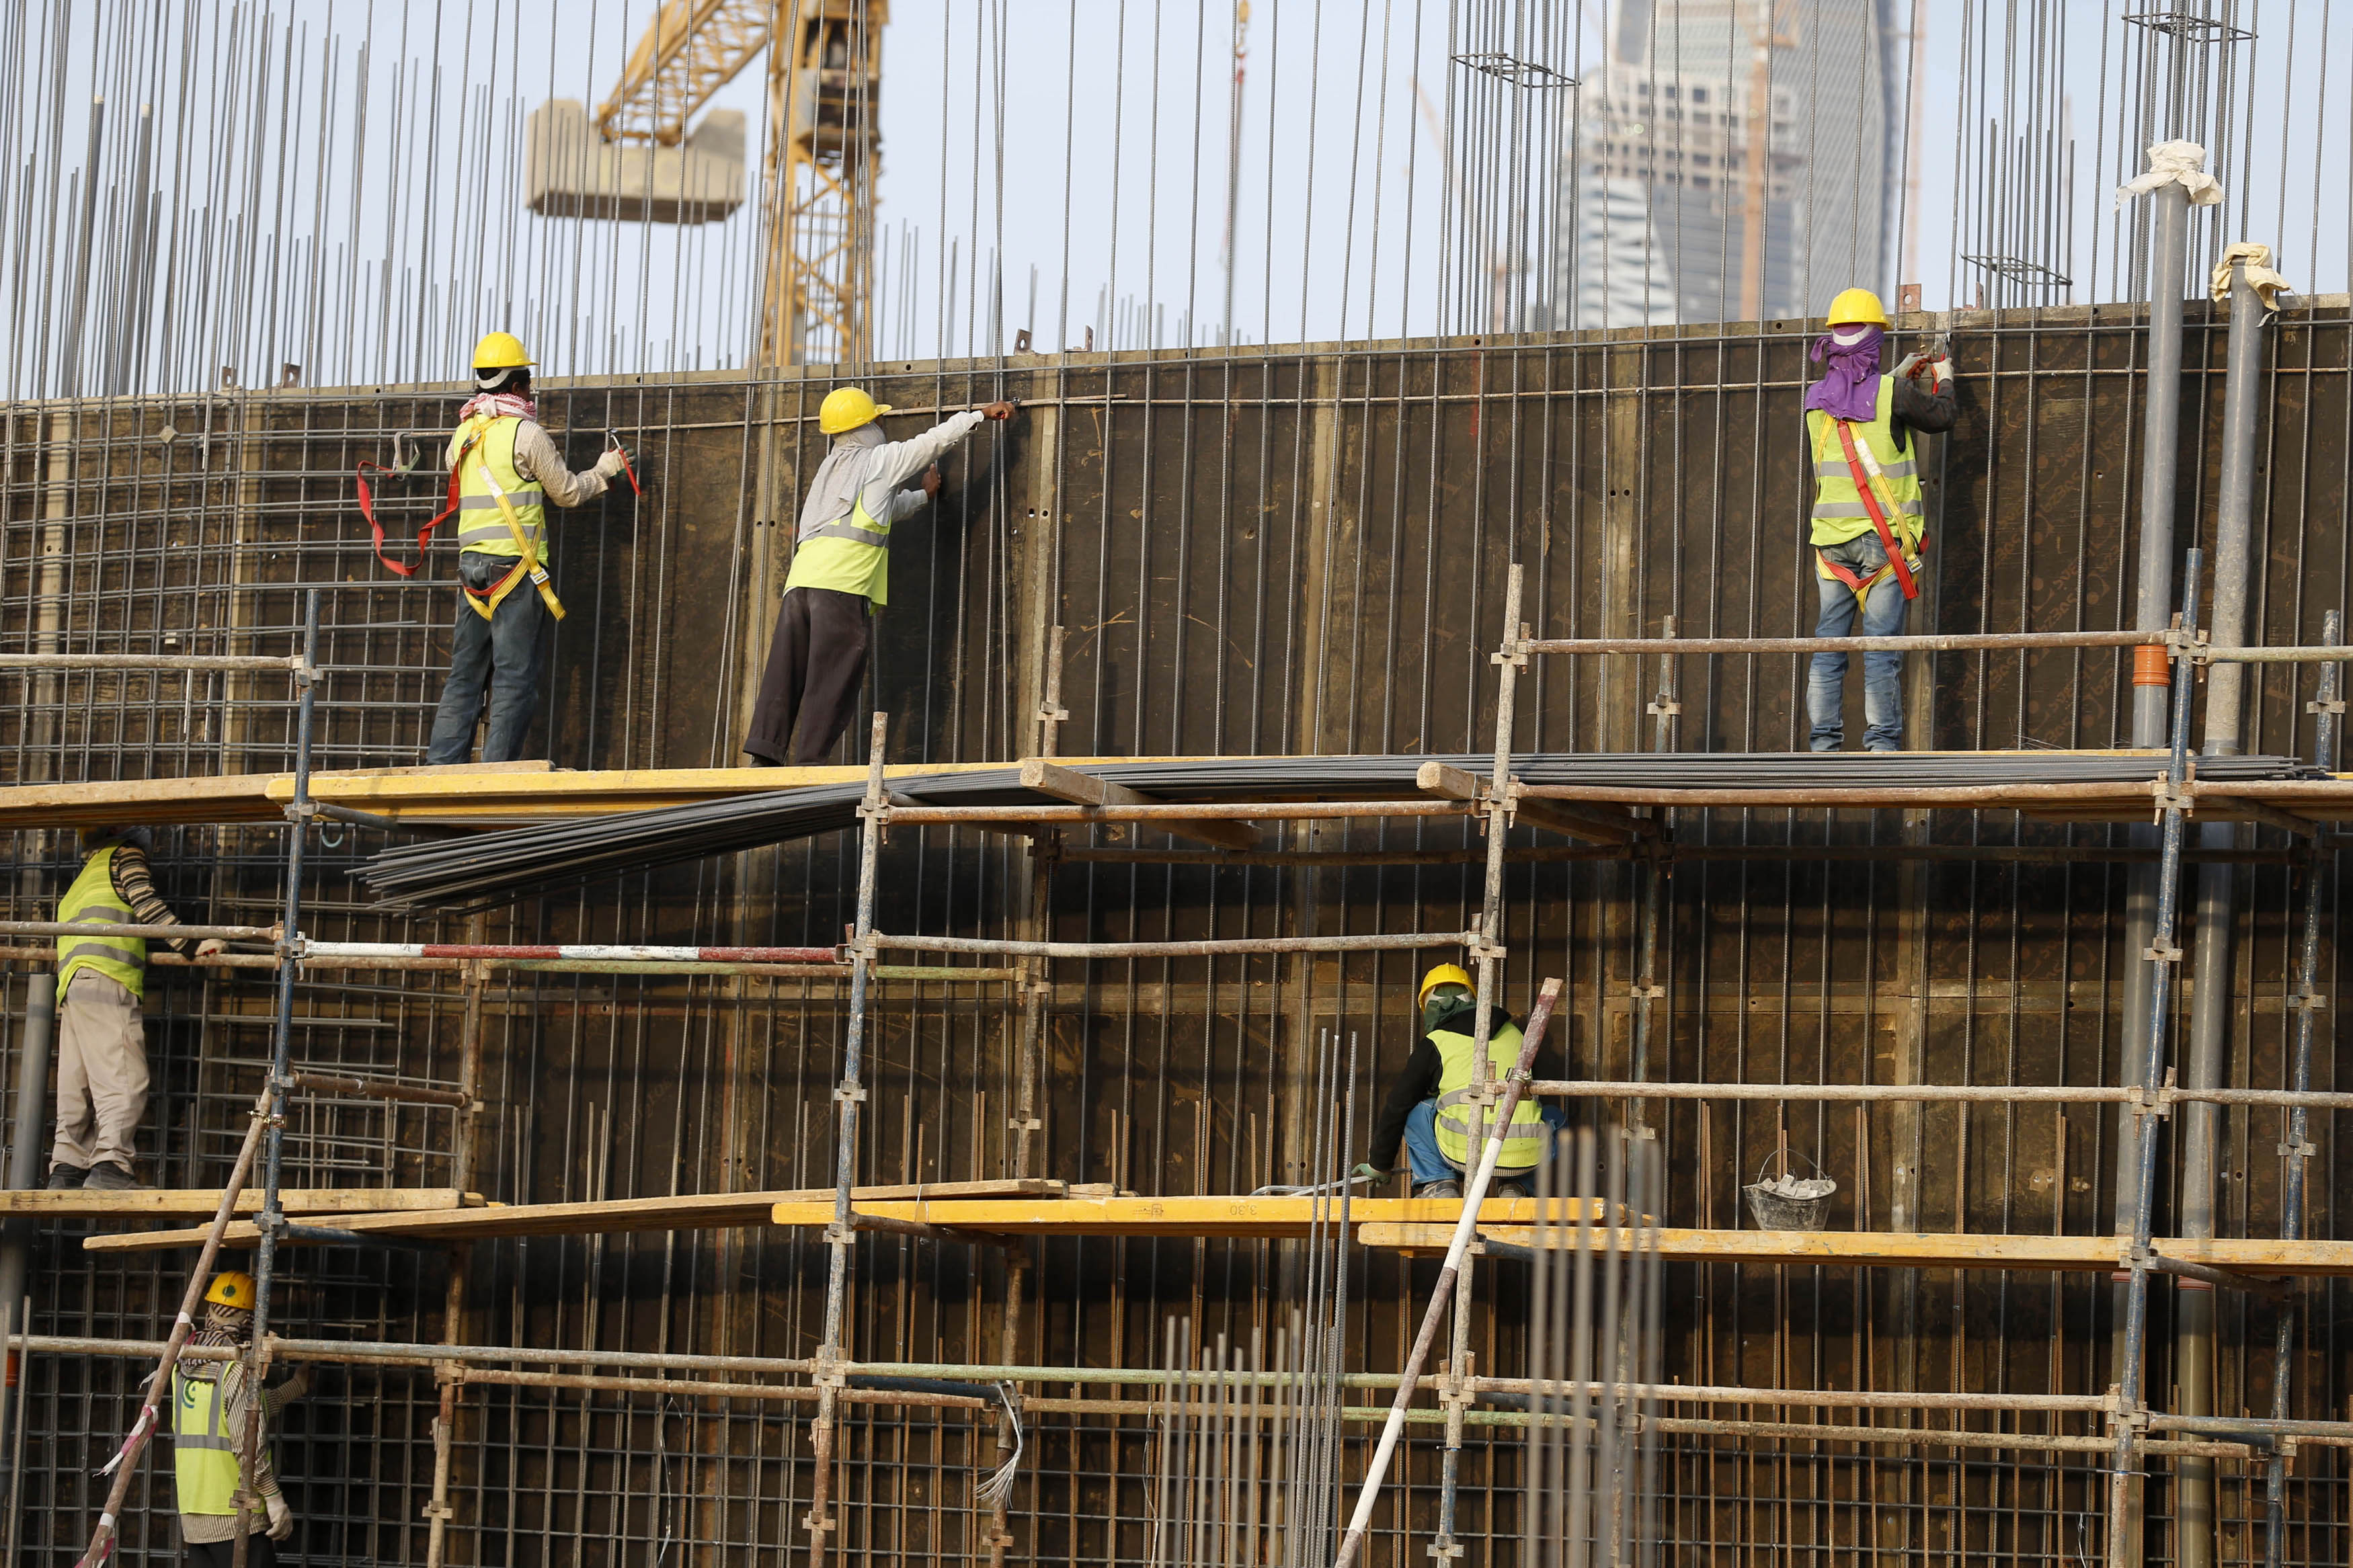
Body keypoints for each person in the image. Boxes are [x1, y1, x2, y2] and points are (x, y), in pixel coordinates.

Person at [744, 388, 1018, 766]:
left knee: (786, 669)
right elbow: (933, 442)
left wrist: (923, 496)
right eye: (877, 419)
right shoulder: (879, 460)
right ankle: (809, 763)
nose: (881, 424)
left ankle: (764, 752)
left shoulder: (832, 470)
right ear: (866, 425)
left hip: (801, 586)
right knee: (834, 674)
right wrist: (981, 415)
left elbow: (878, 510)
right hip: (842, 586)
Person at [424, 331, 633, 765]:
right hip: (515, 572)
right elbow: (568, 493)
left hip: (472, 572)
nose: (532, 390)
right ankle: (496, 774)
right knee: (515, 677)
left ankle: (441, 768)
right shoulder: (526, 433)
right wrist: (604, 470)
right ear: (517, 385)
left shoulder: (463, 435)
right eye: (528, 382)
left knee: (465, 675)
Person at [1802, 288, 1956, 753]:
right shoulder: (1893, 394)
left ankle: (1823, 746)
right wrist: (1944, 375)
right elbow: (1942, 415)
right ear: (1874, 341)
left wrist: (1894, 377)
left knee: (1829, 649)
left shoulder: (1815, 399)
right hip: (1883, 546)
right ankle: (1882, 747)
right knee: (1881, 652)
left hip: (1830, 547)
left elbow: (1855, 402)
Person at [47, 827, 223, 1191]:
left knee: (75, 1084)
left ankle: (66, 1169)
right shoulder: (124, 855)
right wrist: (189, 945)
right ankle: (111, 1166)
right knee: (123, 1078)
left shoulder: (83, 876)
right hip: (108, 975)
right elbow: (147, 904)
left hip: (73, 985)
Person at [1365, 964, 1570, 1200]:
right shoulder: (1517, 1035)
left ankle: (1438, 1182)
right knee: (1553, 1114)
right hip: (1524, 1158)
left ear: (1429, 1008)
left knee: (1418, 1111)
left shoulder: (1436, 1042)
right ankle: (1518, 1186)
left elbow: (1397, 1107)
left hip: (1458, 1153)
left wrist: (1379, 1163)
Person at [172, 1271, 310, 1568]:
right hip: (235, 1514)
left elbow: (240, 1413)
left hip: (193, 1511)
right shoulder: (235, 1371)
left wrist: (295, 1387)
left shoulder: (182, 1368)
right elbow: (248, 1443)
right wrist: (274, 1500)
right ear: (250, 1320)